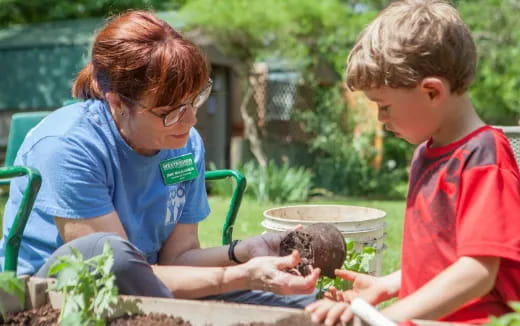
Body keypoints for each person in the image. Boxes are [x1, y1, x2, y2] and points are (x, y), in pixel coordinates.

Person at [0, 10, 320, 308]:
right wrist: (239, 276)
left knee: (310, 305)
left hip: (150, 283)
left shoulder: (183, 145)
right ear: (117, 103)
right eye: (169, 113)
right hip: (53, 288)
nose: (190, 120)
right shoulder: (68, 147)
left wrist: (242, 254)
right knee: (114, 254)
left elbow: (178, 258)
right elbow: (114, 269)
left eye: (193, 101)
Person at [306, 0, 520, 324]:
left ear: (432, 92)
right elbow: (444, 260)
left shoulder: (484, 155)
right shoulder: (426, 154)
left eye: (385, 106)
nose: (380, 118)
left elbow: (477, 270)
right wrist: (385, 287)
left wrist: (387, 318)